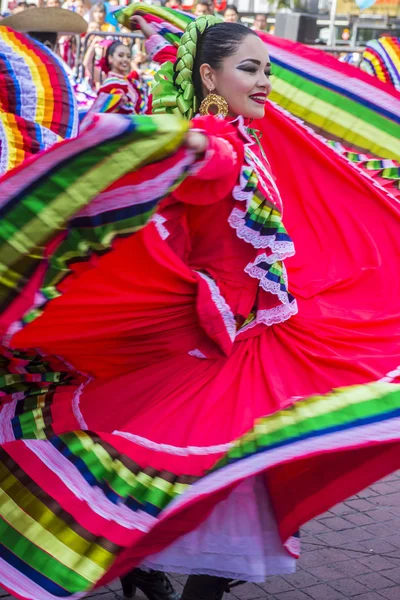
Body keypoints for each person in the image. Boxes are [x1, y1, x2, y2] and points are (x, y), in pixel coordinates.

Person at [1, 12, 400, 600]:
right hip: (221, 351)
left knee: (238, 488)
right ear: (210, 79)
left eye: (268, 69)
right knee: (213, 485)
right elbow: (199, 175)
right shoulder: (214, 145)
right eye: (249, 69)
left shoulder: (263, 136)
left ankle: (146, 569)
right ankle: (140, 566)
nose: (265, 80)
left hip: (259, 341)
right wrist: (177, 143)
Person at [97, 40, 150, 114]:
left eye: (128, 56)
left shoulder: (133, 83)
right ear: (110, 58)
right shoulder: (110, 83)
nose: (125, 59)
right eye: (121, 55)